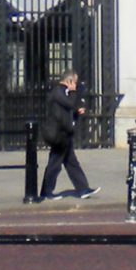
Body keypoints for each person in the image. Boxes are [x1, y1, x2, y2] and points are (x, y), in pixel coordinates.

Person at [36, 68, 95, 201]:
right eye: (75, 82)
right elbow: (70, 104)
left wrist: (76, 113)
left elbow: (67, 111)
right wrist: (74, 93)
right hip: (58, 134)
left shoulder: (63, 92)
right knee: (54, 165)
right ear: (69, 81)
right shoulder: (58, 92)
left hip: (64, 133)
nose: (76, 85)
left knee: (71, 163)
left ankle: (83, 189)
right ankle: (46, 191)